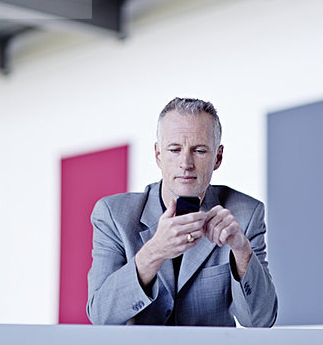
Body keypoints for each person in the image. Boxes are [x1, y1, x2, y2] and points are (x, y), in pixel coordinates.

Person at [86, 97, 277, 326]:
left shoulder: (246, 214)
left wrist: (242, 250)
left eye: (199, 150)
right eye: (175, 149)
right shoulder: (112, 215)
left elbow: (261, 320)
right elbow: (100, 315)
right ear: (158, 154)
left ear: (218, 157)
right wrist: (154, 252)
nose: (186, 163)